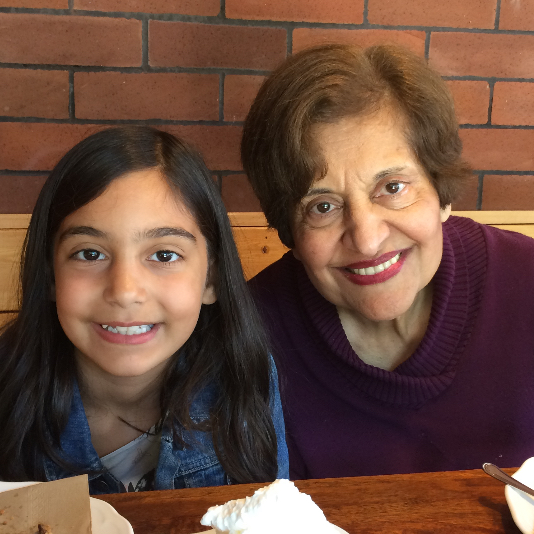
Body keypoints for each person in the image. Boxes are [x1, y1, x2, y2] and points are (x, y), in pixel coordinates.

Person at [242, 43, 534, 480]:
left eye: (393, 188)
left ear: (442, 194)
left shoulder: (526, 284)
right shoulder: (250, 332)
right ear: (291, 235)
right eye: (322, 206)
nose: (366, 239)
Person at [0, 126, 288, 493]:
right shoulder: (9, 391)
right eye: (90, 254)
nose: (124, 291)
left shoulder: (244, 375)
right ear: (51, 275)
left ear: (211, 278)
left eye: (164, 255)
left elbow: (273, 515)